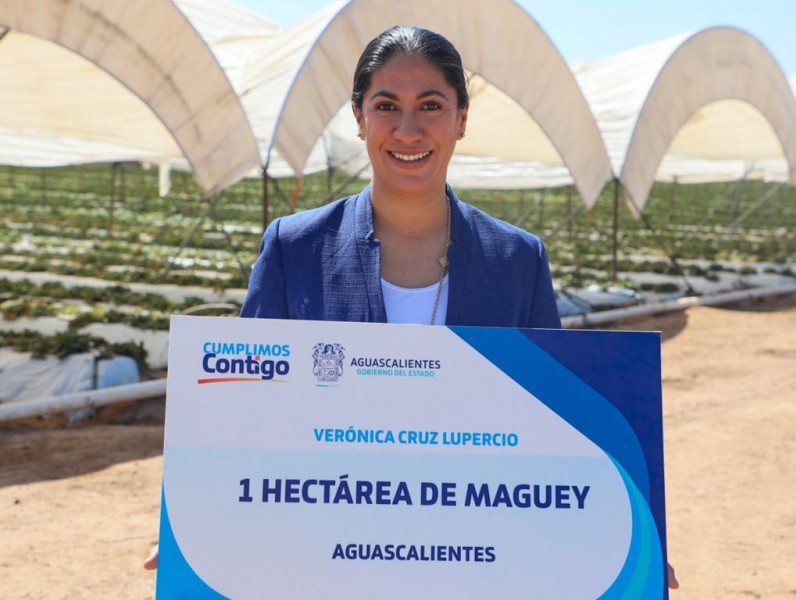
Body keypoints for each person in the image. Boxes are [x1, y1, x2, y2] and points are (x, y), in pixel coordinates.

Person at [145, 24, 677, 590]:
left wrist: (613, 537)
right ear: (359, 118)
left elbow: (553, 426)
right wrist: (199, 519)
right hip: (327, 564)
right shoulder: (294, 249)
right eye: (385, 106)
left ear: (461, 118)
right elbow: (244, 413)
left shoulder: (517, 259)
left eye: (430, 105)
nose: (407, 129)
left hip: (472, 566)